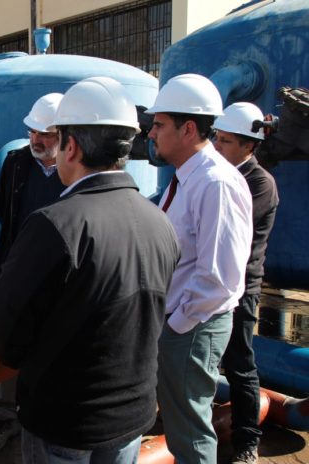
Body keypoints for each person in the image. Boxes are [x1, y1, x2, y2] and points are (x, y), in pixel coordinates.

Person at [0, 77, 180, 464]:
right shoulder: (159, 221)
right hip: (131, 416)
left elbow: (7, 340)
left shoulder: (56, 225)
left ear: (70, 146)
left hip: (65, 421)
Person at [147, 74, 253, 464]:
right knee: (180, 427)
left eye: (160, 124)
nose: (152, 133)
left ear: (188, 128)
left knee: (190, 433)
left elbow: (220, 279)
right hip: (180, 320)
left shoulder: (215, 183)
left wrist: (175, 326)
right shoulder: (187, 177)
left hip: (192, 324)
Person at [0, 92, 65, 454]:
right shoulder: (16, 163)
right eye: (32, 131)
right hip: (19, 270)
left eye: (45, 133)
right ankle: (5, 414)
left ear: (65, 136)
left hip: (62, 278)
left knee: (56, 351)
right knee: (13, 344)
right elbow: (5, 218)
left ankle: (47, 417)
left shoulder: (78, 165)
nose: (36, 140)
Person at [213, 102, 279, 464]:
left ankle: (246, 442)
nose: (217, 146)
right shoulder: (220, 174)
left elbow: (226, 231)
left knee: (239, 366)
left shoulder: (259, 183)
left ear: (248, 145)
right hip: (213, 285)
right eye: (216, 138)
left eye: (225, 140)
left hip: (240, 289)